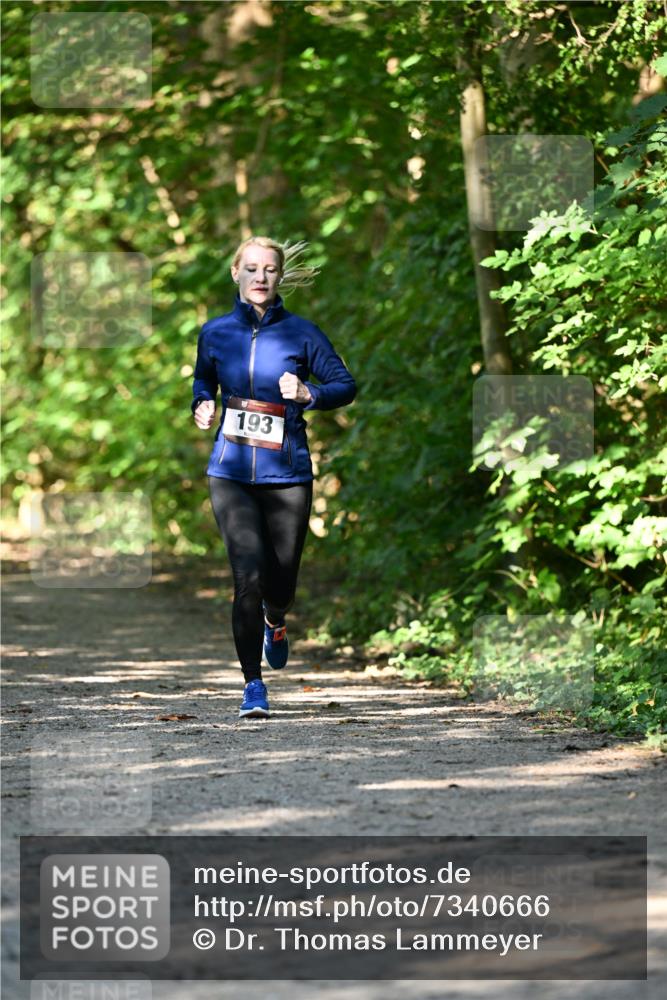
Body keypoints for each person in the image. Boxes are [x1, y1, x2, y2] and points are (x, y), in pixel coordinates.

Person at [191, 236, 356, 719]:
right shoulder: (215, 332)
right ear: (236, 274)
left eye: (270, 270)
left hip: (287, 472)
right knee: (248, 575)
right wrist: (201, 402)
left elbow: (344, 385)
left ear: (280, 277)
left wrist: (308, 392)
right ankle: (252, 685)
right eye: (252, 269)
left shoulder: (302, 333)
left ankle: (276, 620)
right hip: (231, 470)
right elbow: (205, 379)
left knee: (280, 582)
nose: (261, 277)